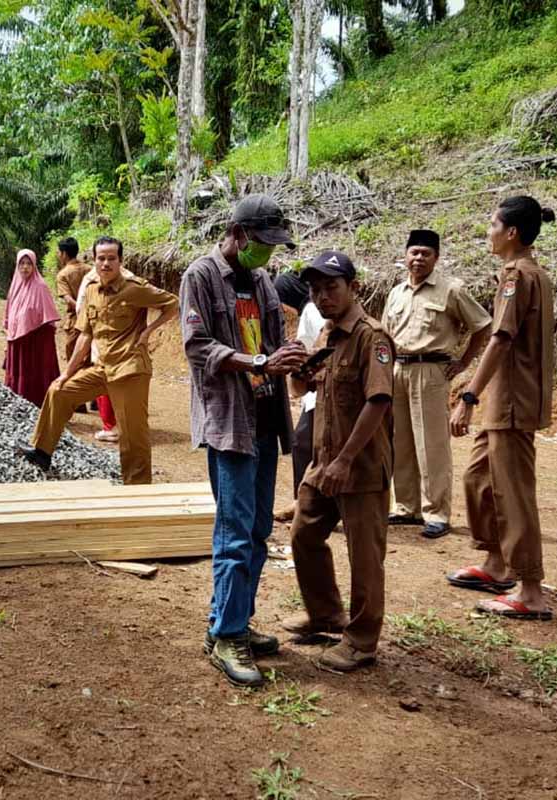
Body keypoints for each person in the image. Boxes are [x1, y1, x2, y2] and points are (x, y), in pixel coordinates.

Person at [180, 193, 307, 686]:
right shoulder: (200, 276)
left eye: (273, 246)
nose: (266, 254)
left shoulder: (262, 282)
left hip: (264, 417)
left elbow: (272, 341)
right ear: (236, 234)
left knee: (256, 531)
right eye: (260, 243)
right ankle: (227, 634)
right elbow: (196, 346)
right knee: (233, 532)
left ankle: (232, 623)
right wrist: (256, 362)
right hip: (229, 420)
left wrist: (292, 355)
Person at [283, 251, 395, 674]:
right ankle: (326, 614)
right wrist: (298, 370)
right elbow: (300, 392)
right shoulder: (327, 336)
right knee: (304, 534)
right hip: (323, 460)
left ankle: (362, 640)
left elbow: (377, 401)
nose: (323, 296)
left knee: (365, 557)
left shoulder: (372, 337)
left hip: (359, 465)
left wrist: (346, 460)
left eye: (332, 287)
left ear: (354, 287)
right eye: (315, 290)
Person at [446, 196, 555, 621]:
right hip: (504, 401)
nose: (488, 231)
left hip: (511, 401)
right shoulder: (533, 273)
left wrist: (469, 396)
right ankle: (495, 563)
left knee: (513, 493)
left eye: (492, 224)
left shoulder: (517, 275)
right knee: (478, 478)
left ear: (511, 232)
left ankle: (530, 589)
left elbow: (501, 337)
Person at [18, 236, 178, 484]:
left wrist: (148, 331)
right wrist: (66, 374)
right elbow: (85, 336)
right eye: (101, 258)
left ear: (120, 260)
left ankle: (137, 490)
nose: (105, 263)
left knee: (132, 436)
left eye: (111, 258)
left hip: (130, 369)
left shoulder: (134, 287)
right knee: (58, 391)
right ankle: (41, 451)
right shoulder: (92, 290)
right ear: (94, 261)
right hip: (102, 367)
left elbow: (172, 304)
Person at [382, 229, 491, 539]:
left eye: (425, 254)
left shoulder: (451, 290)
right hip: (398, 370)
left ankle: (436, 513)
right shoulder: (396, 293)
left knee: (431, 445)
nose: (418, 258)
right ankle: (406, 507)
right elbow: (386, 335)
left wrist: (463, 363)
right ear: (405, 256)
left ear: (436, 258)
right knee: (400, 442)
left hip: (431, 373)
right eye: (414, 252)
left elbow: (482, 326)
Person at [273, 268, 323, 523]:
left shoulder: (312, 311)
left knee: (304, 442)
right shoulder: (315, 309)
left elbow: (306, 348)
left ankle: (304, 502)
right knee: (304, 442)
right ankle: (303, 501)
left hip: (323, 387)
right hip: (314, 388)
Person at [76, 260, 134, 443]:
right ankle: (124, 426)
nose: (106, 263)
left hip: (106, 342)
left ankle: (111, 427)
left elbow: (81, 308)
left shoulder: (91, 279)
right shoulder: (130, 278)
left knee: (106, 383)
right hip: (124, 343)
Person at [3, 249, 61, 407]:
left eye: (29, 264)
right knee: (19, 371)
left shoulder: (40, 287)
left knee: (33, 371)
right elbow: (10, 310)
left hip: (35, 339)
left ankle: (38, 402)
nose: (25, 267)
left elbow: (47, 316)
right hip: (18, 337)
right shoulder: (16, 285)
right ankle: (17, 400)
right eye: (21, 264)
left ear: (34, 265)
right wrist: (11, 329)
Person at [54, 237, 89, 414]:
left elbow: (68, 299)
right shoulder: (90, 270)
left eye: (59, 252)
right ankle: (97, 397)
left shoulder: (63, 275)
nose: (58, 255)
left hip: (76, 321)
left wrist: (80, 309)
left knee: (74, 358)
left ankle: (79, 400)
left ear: (64, 254)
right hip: (95, 319)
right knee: (92, 359)